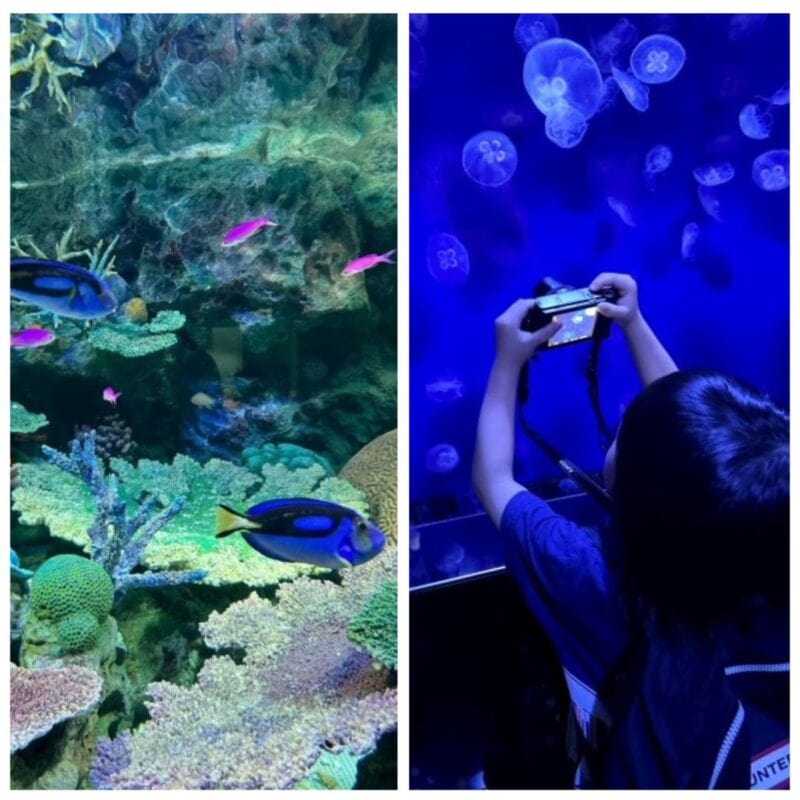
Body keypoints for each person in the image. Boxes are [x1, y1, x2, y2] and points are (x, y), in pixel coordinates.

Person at [472, 273, 789, 789]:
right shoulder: (768, 553)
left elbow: (492, 479)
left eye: (626, 430)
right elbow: (701, 466)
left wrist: (507, 362)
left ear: (634, 490)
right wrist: (635, 323)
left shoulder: (591, 574)